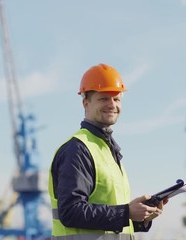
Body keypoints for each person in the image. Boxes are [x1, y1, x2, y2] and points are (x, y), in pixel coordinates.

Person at [48, 63, 167, 240]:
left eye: (116, 99)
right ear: (85, 103)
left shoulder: (108, 150)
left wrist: (141, 217)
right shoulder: (78, 149)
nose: (112, 104)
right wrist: (126, 212)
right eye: (104, 98)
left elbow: (109, 222)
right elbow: (71, 212)